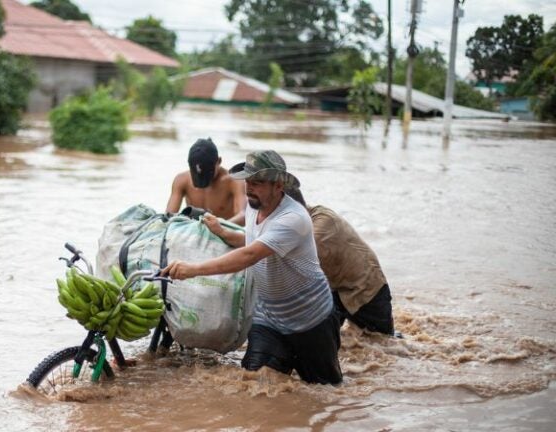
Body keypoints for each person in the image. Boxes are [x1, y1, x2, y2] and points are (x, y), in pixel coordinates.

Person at [162, 150, 342, 385]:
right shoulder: (253, 207)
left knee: (325, 392)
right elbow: (252, 240)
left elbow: (250, 255)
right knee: (254, 384)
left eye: (257, 183)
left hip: (310, 320)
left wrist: (193, 270)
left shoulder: (292, 219)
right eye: (247, 181)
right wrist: (223, 232)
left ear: (278, 186)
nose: (249, 188)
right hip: (269, 318)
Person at [306, 204, 395, 336]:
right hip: (337, 292)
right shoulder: (308, 218)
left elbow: (295, 262)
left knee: (384, 342)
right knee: (334, 341)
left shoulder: (322, 223)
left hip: (366, 292)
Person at [165, 138, 246, 222]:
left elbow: (243, 216)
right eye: (197, 175)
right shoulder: (182, 180)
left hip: (224, 230)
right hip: (194, 230)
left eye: (207, 172)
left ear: (219, 161)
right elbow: (169, 216)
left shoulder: (234, 182)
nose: (202, 177)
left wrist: (219, 227)